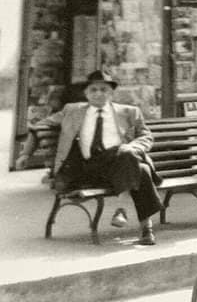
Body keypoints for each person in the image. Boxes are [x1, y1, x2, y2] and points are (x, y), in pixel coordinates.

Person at [34, 70, 162, 245]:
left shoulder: (130, 112)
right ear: (86, 93)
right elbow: (40, 125)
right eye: (93, 90)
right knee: (138, 166)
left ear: (111, 93)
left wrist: (132, 146)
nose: (98, 93)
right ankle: (131, 216)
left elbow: (146, 137)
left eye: (104, 89)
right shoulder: (72, 111)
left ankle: (143, 228)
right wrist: (25, 153)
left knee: (138, 165)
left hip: (119, 166)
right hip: (88, 170)